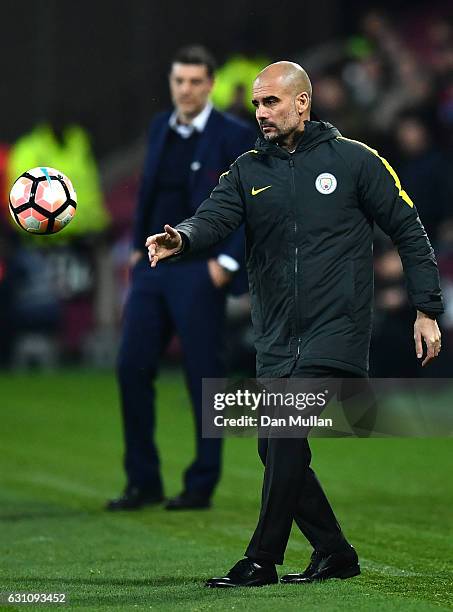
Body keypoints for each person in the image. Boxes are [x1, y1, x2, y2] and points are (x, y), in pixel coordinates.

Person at [145, 61, 443, 586]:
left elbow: (409, 229)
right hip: (278, 336)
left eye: (272, 102)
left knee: (282, 431)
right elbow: (212, 216)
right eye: (257, 104)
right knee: (274, 444)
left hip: (338, 331)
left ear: (302, 103)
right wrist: (184, 238)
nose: (261, 112)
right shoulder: (246, 171)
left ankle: (261, 559)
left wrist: (427, 309)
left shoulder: (355, 161)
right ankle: (335, 552)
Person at [108, 46, 255, 512]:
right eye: (178, 81)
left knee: (204, 379)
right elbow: (150, 193)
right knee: (131, 367)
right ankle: (143, 481)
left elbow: (255, 204)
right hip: (153, 270)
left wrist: (226, 264)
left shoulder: (234, 135)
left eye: (194, 81)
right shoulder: (160, 128)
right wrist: (135, 249)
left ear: (210, 83)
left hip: (200, 270)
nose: (185, 90)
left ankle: (201, 483)